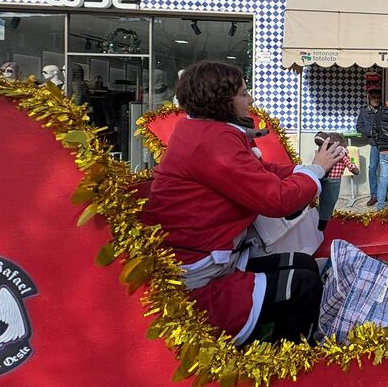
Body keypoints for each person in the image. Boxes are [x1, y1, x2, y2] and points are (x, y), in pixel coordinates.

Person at [141, 60, 346, 344]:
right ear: (221, 101)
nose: (250, 99)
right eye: (242, 93)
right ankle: (284, 361)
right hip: (198, 274)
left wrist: (309, 168)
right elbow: (277, 200)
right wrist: (317, 171)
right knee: (303, 284)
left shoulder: (201, 131)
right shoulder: (212, 143)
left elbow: (259, 173)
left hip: (208, 258)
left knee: (305, 265)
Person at [315, 131, 359, 231]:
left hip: (329, 179)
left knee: (328, 200)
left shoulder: (341, 153)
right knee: (326, 199)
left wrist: (353, 168)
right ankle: (320, 216)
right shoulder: (327, 151)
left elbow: (348, 163)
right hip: (326, 178)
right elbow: (349, 164)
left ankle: (322, 219)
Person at [355, 88, 383, 206]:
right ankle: (374, 195)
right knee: (372, 169)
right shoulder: (364, 111)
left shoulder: (384, 110)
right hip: (374, 145)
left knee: (386, 170)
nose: (376, 100)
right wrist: (370, 132)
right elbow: (359, 127)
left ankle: (382, 193)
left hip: (386, 143)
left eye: (378, 97)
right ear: (369, 99)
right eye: (374, 98)